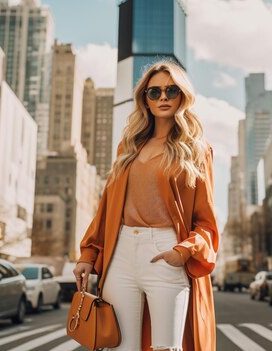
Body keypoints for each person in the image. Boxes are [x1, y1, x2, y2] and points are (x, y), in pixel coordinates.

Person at [73, 60, 219, 351]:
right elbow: (106, 210)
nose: (163, 97)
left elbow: (206, 221)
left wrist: (184, 251)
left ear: (182, 96)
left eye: (171, 90)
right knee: (120, 346)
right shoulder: (128, 147)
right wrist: (88, 255)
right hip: (121, 253)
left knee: (167, 348)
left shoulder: (197, 150)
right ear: (145, 100)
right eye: (154, 92)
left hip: (166, 250)